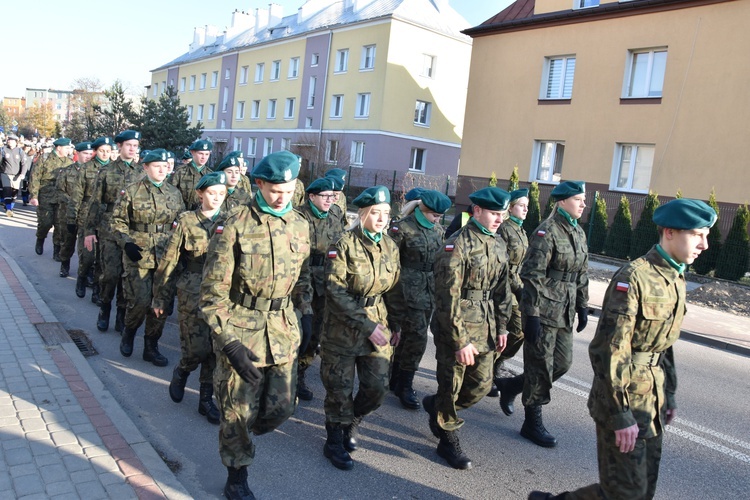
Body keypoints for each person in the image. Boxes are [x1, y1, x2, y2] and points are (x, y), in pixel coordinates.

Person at [528, 198, 716, 500]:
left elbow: (663, 346)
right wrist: (621, 415)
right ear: (669, 232)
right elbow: (607, 351)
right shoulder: (634, 278)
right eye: (697, 234)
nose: (705, 244)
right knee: (626, 492)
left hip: (651, 399)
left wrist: (670, 394)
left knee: (639, 491)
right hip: (622, 398)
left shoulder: (676, 277)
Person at [199, 150, 312, 499]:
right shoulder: (235, 223)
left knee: (283, 407)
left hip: (282, 329)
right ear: (259, 184)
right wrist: (228, 343)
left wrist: (306, 316)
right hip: (241, 331)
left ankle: (242, 437)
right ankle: (237, 472)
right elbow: (212, 291)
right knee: (236, 410)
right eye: (276, 189)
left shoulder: (300, 223)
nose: (282, 196)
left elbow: (303, 276)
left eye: (289, 189)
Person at [422, 187, 512, 470]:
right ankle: (448, 439)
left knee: (481, 385)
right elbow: (446, 296)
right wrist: (459, 341)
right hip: (456, 327)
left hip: (485, 326)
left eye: (502, 214)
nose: (499, 219)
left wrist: (503, 327)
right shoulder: (456, 244)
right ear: (477, 211)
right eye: (494, 213)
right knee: (451, 385)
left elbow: (503, 289)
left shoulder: (497, 244)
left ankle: (437, 406)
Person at [320, 185, 401, 471]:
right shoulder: (343, 244)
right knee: (339, 389)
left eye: (386, 214)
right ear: (364, 213)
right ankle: (334, 439)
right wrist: (367, 325)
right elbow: (335, 290)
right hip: (342, 329)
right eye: (376, 213)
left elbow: (393, 290)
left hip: (377, 324)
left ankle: (352, 420)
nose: (382, 219)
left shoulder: (390, 246)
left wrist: (397, 324)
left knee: (377, 387)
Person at [153, 171, 227, 424]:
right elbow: (170, 261)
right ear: (200, 194)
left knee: (215, 351)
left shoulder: (231, 221)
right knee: (196, 348)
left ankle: (206, 399)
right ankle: (183, 370)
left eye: (221, 193)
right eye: (211, 193)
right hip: (191, 290)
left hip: (221, 294)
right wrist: (160, 298)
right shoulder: (186, 221)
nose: (216, 198)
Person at [519, 180, 589, 448]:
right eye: (578, 199)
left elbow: (581, 272)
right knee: (540, 365)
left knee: (562, 363)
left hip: (566, 308)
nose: (584, 204)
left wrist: (583, 305)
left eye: (584, 199)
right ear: (562, 201)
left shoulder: (577, 232)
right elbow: (532, 274)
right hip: (545, 309)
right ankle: (531, 421)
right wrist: (532, 314)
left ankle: (514, 386)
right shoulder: (546, 231)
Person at [111, 149, 185, 366]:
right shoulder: (132, 191)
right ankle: (129, 331)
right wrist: (126, 242)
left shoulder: (174, 193)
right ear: (146, 167)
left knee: (160, 304)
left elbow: (180, 223)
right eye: (156, 166)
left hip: (165, 255)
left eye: (165, 166)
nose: (162, 170)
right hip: (139, 252)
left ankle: (151, 346)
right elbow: (117, 221)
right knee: (140, 301)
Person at [387, 189, 451, 410]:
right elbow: (390, 259)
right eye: (434, 215)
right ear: (423, 210)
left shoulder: (438, 230)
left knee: (410, 336)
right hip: (405, 289)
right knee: (416, 337)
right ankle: (405, 384)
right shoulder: (402, 228)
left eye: (439, 217)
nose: (437, 220)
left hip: (428, 290)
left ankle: (396, 377)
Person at [84, 130, 143, 333]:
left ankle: (121, 314)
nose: (132, 149)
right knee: (110, 274)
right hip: (109, 228)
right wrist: (89, 230)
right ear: (119, 146)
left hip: (132, 231)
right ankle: (105, 308)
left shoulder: (141, 173)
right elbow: (95, 202)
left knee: (127, 276)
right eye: (129, 145)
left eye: (135, 145)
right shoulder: (107, 171)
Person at [295, 177, 346, 401]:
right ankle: (281, 374)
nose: (329, 200)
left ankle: (299, 374)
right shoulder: (298, 216)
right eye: (324, 196)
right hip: (301, 280)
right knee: (298, 330)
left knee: (315, 333)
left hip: (325, 280)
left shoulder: (335, 215)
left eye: (332, 196)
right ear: (312, 196)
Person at [494, 188, 530, 409]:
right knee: (510, 331)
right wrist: (519, 289)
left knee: (518, 332)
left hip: (516, 286)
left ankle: (495, 365)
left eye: (527, 205)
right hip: (505, 288)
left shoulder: (521, 230)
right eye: (521, 205)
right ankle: (488, 369)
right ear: (510, 207)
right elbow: (504, 265)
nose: (526, 209)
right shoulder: (505, 229)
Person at [68, 137, 113, 301]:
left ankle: (96, 290)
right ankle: (81, 277)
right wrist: (71, 219)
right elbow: (76, 196)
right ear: (96, 151)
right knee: (87, 256)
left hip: (107, 220)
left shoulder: (113, 169)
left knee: (102, 260)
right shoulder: (86, 169)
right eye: (102, 150)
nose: (106, 154)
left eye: (108, 151)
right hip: (87, 216)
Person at [29, 137, 73, 258]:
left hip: (61, 197)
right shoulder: (44, 158)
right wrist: (34, 195)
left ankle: (56, 250)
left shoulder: (69, 162)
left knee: (59, 225)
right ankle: (40, 238)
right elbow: (35, 177)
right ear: (59, 148)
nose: (69, 150)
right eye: (67, 148)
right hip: (45, 196)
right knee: (45, 222)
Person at [56, 141, 94, 278]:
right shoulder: (67, 171)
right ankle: (64, 263)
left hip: (86, 214)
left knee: (86, 246)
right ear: (77, 153)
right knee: (67, 241)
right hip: (68, 212)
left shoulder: (95, 172)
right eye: (85, 153)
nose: (88, 156)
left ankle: (87, 272)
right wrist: (73, 202)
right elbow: (60, 191)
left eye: (91, 154)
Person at [170, 139, 212, 210]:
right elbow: (170, 193)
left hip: (201, 216)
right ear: (192, 153)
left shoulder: (210, 175)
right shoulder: (180, 171)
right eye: (201, 153)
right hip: (181, 213)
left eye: (206, 154)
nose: (203, 157)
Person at [1, 134, 30, 217]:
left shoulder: (20, 151)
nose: (10, 141)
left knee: (14, 193)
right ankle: (9, 209)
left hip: (17, 175)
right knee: (7, 190)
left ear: (16, 142)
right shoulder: (3, 150)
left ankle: (10, 207)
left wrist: (23, 173)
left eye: (12, 140)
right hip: (5, 173)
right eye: (9, 140)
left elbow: (24, 164)